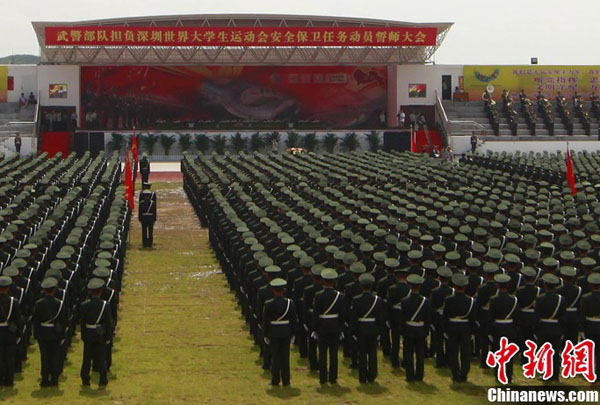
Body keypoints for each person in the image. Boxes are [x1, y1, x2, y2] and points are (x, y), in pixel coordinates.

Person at [350, 273, 385, 384]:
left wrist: (353, 331)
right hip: (373, 328)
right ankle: (372, 375)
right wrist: (380, 330)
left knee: (362, 354)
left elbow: (354, 317)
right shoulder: (378, 300)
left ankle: (362, 376)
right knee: (372, 353)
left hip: (361, 328)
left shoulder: (356, 300)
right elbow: (380, 317)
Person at [312, 268, 344, 385]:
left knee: (322, 353)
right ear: (334, 281)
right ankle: (333, 377)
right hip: (335, 326)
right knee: (334, 353)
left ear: (323, 281)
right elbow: (342, 314)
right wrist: (340, 327)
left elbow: (316, 314)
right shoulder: (340, 296)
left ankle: (323, 377)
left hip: (322, 327)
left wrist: (315, 328)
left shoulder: (318, 295)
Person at [262, 278, 297, 387]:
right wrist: (293, 333)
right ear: (284, 290)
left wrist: (265, 334)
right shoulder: (289, 303)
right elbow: (293, 320)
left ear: (273, 290)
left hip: (273, 332)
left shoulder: (268, 304)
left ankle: (275, 380)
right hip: (286, 332)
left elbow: (266, 321)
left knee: (275, 357)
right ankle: (286, 380)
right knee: (285, 357)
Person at [33, 277, 67, 387]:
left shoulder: (38, 304)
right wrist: (62, 334)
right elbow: (63, 321)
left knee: (44, 357)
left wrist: (36, 334)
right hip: (55, 333)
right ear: (54, 290)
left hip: (43, 333)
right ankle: (54, 379)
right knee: (55, 356)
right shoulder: (59, 303)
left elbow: (36, 321)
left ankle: (44, 379)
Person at [79, 278, 113, 387]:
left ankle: (85, 378)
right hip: (100, 335)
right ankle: (103, 379)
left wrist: (83, 335)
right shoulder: (105, 305)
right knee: (101, 358)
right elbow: (108, 322)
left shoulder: (84, 305)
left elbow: (82, 323)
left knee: (87, 358)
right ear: (100, 291)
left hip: (88, 333)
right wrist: (108, 336)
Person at [444, 273, 476, 383]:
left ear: (455, 286)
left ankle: (455, 373)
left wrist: (445, 329)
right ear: (465, 287)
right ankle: (464, 373)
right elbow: (472, 318)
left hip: (452, 327)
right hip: (466, 327)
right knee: (465, 352)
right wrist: (472, 330)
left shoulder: (449, 299)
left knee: (453, 351)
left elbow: (445, 316)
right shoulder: (471, 301)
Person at [400, 274, 431, 382]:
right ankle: (419, 375)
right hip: (421, 330)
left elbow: (402, 318)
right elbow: (427, 318)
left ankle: (409, 376)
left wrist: (402, 331)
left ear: (409, 286)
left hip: (408, 329)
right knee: (420, 355)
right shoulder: (426, 301)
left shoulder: (404, 301)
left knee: (408, 354)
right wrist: (426, 331)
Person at [0, 275, 22, 387]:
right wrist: (19, 334)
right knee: (9, 357)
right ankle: (9, 380)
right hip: (9, 333)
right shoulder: (14, 302)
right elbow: (18, 320)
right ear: (8, 288)